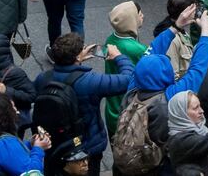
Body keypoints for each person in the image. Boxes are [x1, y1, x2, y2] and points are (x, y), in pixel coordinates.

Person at [34, 32, 139, 173]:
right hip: (86, 147)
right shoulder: (90, 81)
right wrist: (119, 57)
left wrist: (77, 62)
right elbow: (129, 79)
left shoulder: (43, 78)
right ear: (77, 56)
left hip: (55, 144)